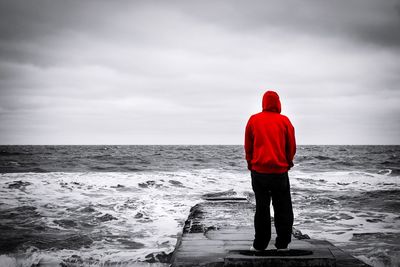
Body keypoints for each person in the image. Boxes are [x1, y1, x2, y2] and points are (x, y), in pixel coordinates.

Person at [244, 90, 296, 251]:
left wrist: (250, 163)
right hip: (280, 172)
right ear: (278, 103)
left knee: (262, 208)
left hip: (259, 172)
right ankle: (282, 244)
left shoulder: (253, 120)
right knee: (283, 208)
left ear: (264, 103)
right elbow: (291, 146)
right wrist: (288, 162)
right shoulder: (284, 121)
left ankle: (260, 245)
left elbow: (248, 145)